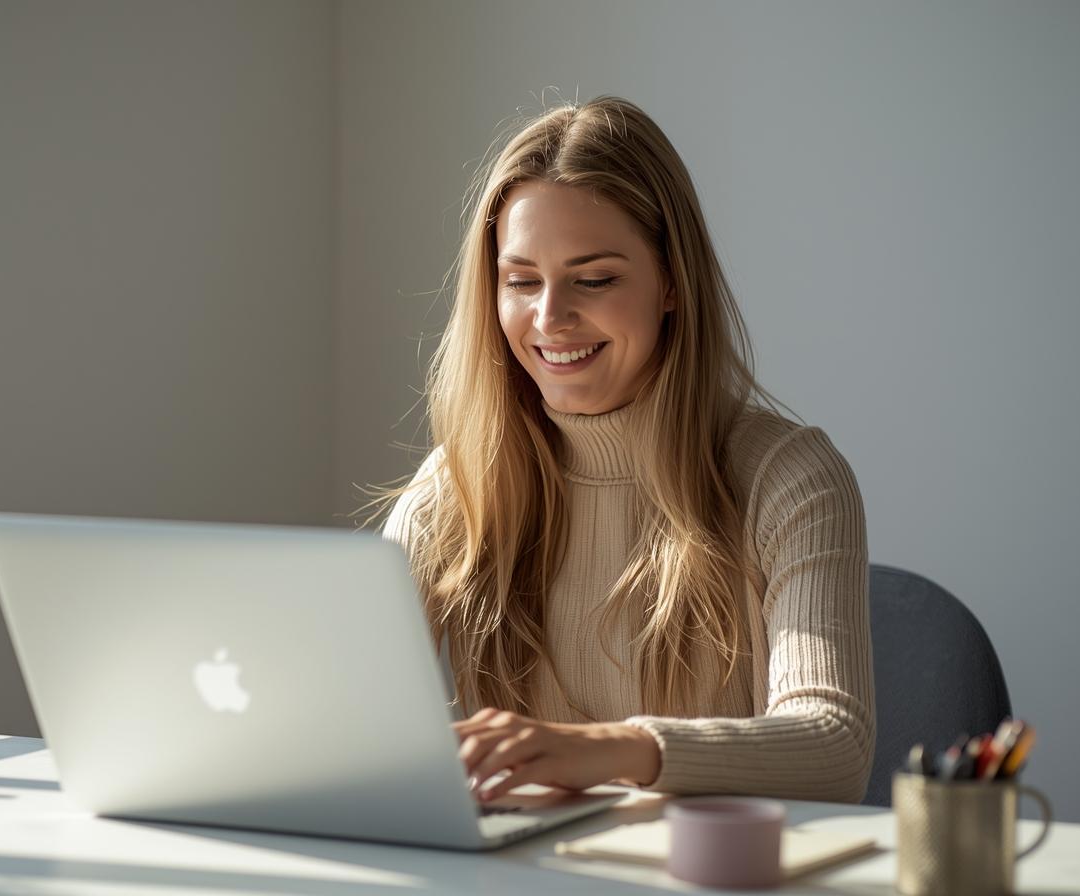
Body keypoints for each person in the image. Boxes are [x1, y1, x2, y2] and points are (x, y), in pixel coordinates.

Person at [372, 96, 873, 805]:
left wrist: (608, 751)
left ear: (671, 282)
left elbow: (834, 744)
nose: (550, 318)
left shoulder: (791, 480)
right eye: (520, 281)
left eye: (595, 279)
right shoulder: (455, 489)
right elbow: (356, 738)